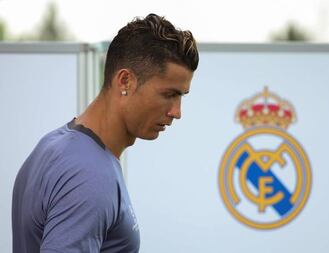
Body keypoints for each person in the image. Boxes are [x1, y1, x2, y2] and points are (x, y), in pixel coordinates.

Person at [12, 13, 199, 253]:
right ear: (125, 81)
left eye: (181, 96)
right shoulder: (89, 175)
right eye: (169, 94)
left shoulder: (52, 145)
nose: (176, 112)